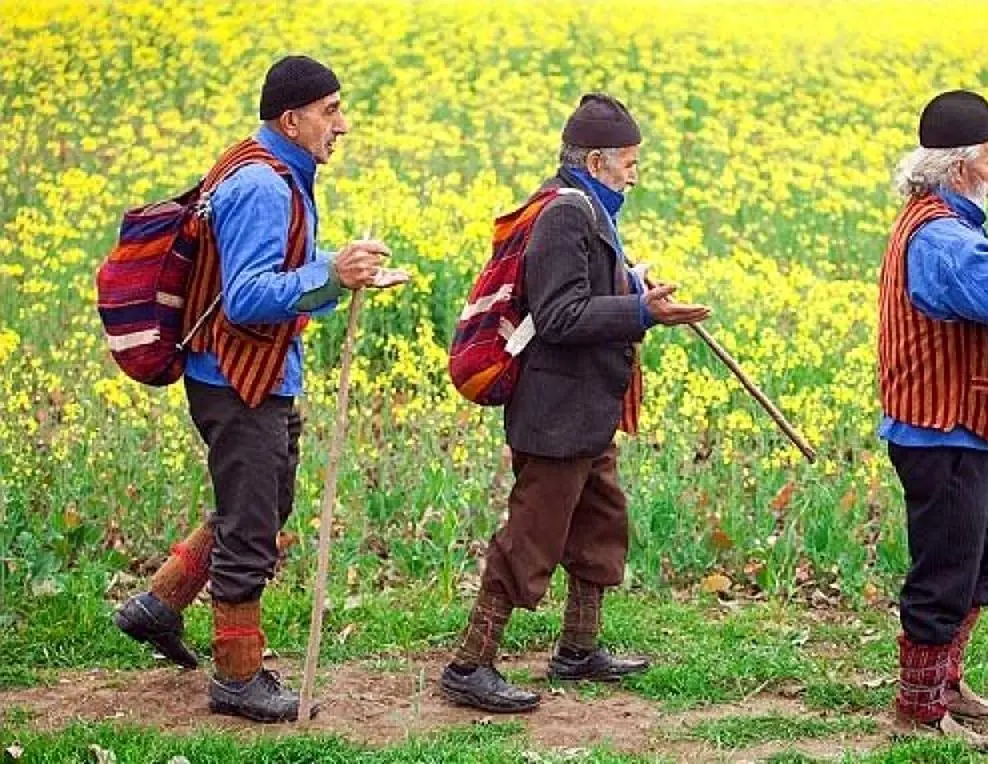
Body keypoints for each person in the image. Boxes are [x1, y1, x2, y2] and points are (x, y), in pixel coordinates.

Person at [113, 55, 402, 722]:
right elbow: (245, 299)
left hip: (255, 376)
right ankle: (237, 679)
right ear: (290, 119)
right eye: (330, 112)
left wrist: (339, 269)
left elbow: (273, 271)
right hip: (238, 384)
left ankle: (157, 606)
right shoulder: (263, 187)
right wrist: (332, 277)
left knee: (264, 505)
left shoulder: (271, 169)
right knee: (251, 527)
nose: (343, 125)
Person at [440, 94, 711, 713]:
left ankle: (578, 649)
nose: (636, 173)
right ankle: (469, 665)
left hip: (586, 412)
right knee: (530, 538)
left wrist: (633, 283)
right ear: (596, 160)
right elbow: (560, 315)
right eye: (629, 162)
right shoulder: (566, 214)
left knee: (599, 524)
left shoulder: (589, 207)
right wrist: (644, 312)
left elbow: (579, 290)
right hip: (555, 413)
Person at [877, 89, 988, 750]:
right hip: (940, 431)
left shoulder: (949, 226)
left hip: (966, 427)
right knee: (945, 568)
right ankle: (918, 710)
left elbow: (977, 282)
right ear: (960, 170)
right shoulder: (944, 237)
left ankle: (945, 679)